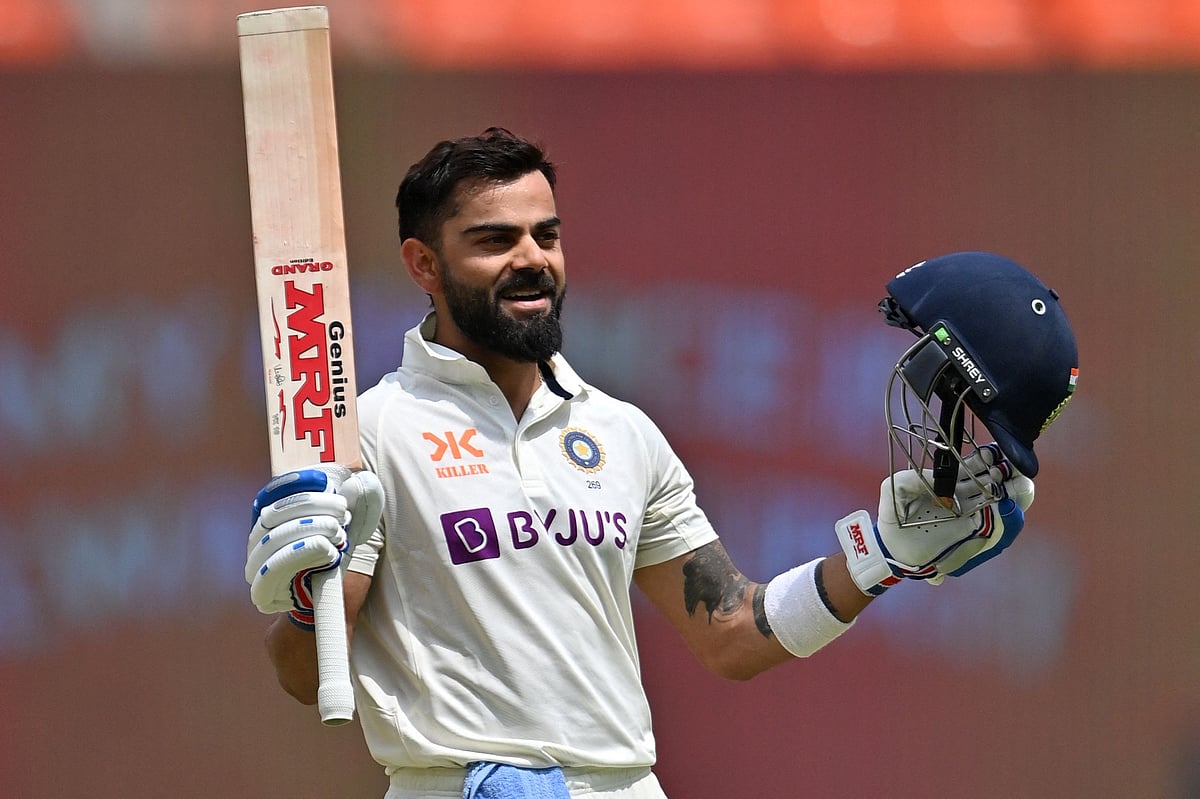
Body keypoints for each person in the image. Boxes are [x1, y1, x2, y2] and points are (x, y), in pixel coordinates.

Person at [245, 128, 1078, 799]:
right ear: (424, 265)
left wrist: (880, 560)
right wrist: (297, 600)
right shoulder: (373, 431)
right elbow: (304, 673)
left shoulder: (622, 432)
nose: (531, 258)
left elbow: (731, 632)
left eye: (547, 234)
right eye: (494, 240)